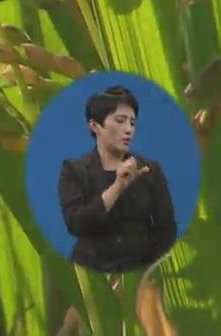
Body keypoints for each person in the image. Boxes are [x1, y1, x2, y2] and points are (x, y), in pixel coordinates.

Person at [57, 85, 177, 272]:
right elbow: (76, 224)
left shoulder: (149, 169)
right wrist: (118, 186)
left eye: (132, 122)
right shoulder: (74, 170)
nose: (128, 129)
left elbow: (166, 228)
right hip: (93, 274)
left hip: (141, 272)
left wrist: (147, 272)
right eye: (120, 121)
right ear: (95, 125)